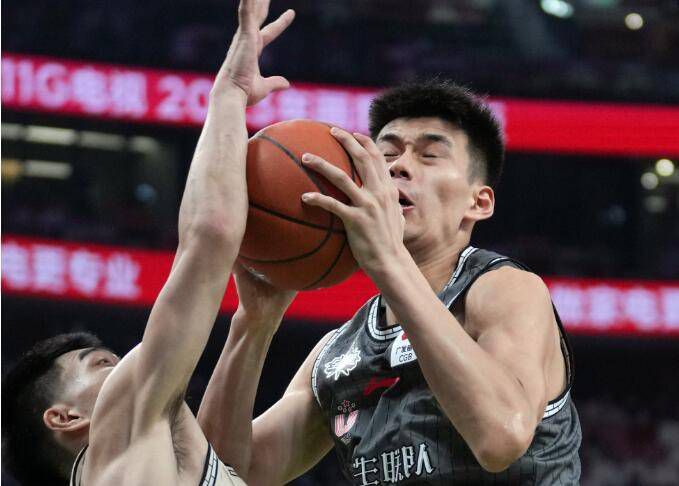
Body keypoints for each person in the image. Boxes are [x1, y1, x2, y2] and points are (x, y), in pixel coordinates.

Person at [198, 80, 582, 485]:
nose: (398, 166)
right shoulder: (337, 353)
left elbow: (501, 437)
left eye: (430, 155)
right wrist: (253, 325)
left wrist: (387, 260)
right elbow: (221, 476)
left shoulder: (503, 289)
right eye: (387, 154)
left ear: (478, 202)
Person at [1, 1, 295, 484]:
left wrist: (255, 323)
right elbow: (211, 235)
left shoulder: (154, 462)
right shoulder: (118, 435)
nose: (128, 370)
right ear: (66, 418)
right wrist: (230, 94)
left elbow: (232, 458)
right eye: (102, 366)